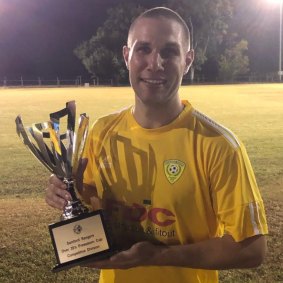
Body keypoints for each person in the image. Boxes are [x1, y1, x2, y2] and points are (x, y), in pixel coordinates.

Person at [46, 7, 268, 283]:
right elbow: (90, 206)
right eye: (144, 49)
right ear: (127, 56)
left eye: (170, 52)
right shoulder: (102, 132)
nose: (155, 63)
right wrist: (67, 193)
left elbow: (252, 250)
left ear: (188, 61)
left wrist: (157, 257)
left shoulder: (219, 146)